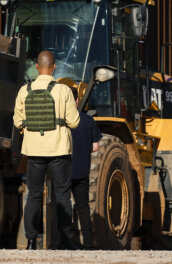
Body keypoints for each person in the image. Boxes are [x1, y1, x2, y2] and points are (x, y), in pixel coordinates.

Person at [13, 50, 80, 250]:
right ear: (54, 67)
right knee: (62, 195)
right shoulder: (63, 90)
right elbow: (74, 122)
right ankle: (66, 240)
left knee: (33, 194)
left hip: (34, 150)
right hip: (59, 149)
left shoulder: (24, 90)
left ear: (36, 67)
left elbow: (17, 122)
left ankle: (32, 239)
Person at [70, 87, 102, 249]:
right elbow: (96, 147)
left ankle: (64, 242)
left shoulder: (60, 121)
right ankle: (88, 244)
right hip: (82, 170)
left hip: (64, 171)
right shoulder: (88, 121)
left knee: (62, 205)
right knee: (83, 207)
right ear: (77, 100)